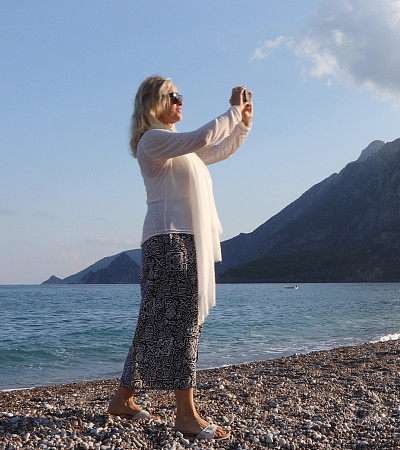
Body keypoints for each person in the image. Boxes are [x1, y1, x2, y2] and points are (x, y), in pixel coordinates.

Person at [106, 75, 253, 440]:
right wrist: (232, 111)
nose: (180, 101)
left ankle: (122, 399)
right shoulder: (153, 139)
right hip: (170, 241)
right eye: (174, 96)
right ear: (154, 103)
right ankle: (186, 415)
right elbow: (202, 138)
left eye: (180, 95)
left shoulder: (173, 146)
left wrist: (243, 124)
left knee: (155, 321)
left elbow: (214, 151)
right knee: (184, 322)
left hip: (179, 240)